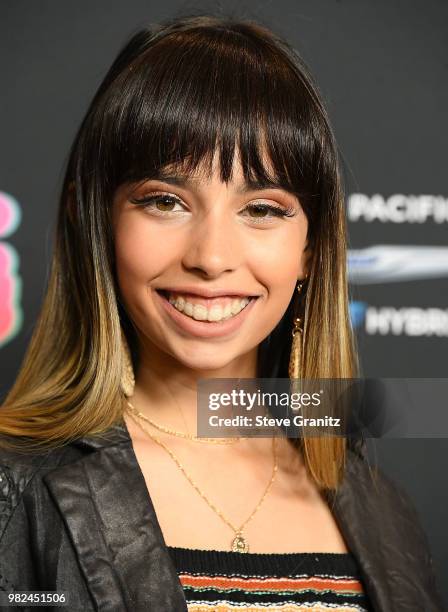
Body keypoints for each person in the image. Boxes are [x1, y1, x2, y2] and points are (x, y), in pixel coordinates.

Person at [0, 13, 444, 612]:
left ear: (310, 249)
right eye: (165, 201)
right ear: (96, 222)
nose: (211, 258)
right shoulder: (13, 488)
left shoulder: (381, 507)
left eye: (262, 209)